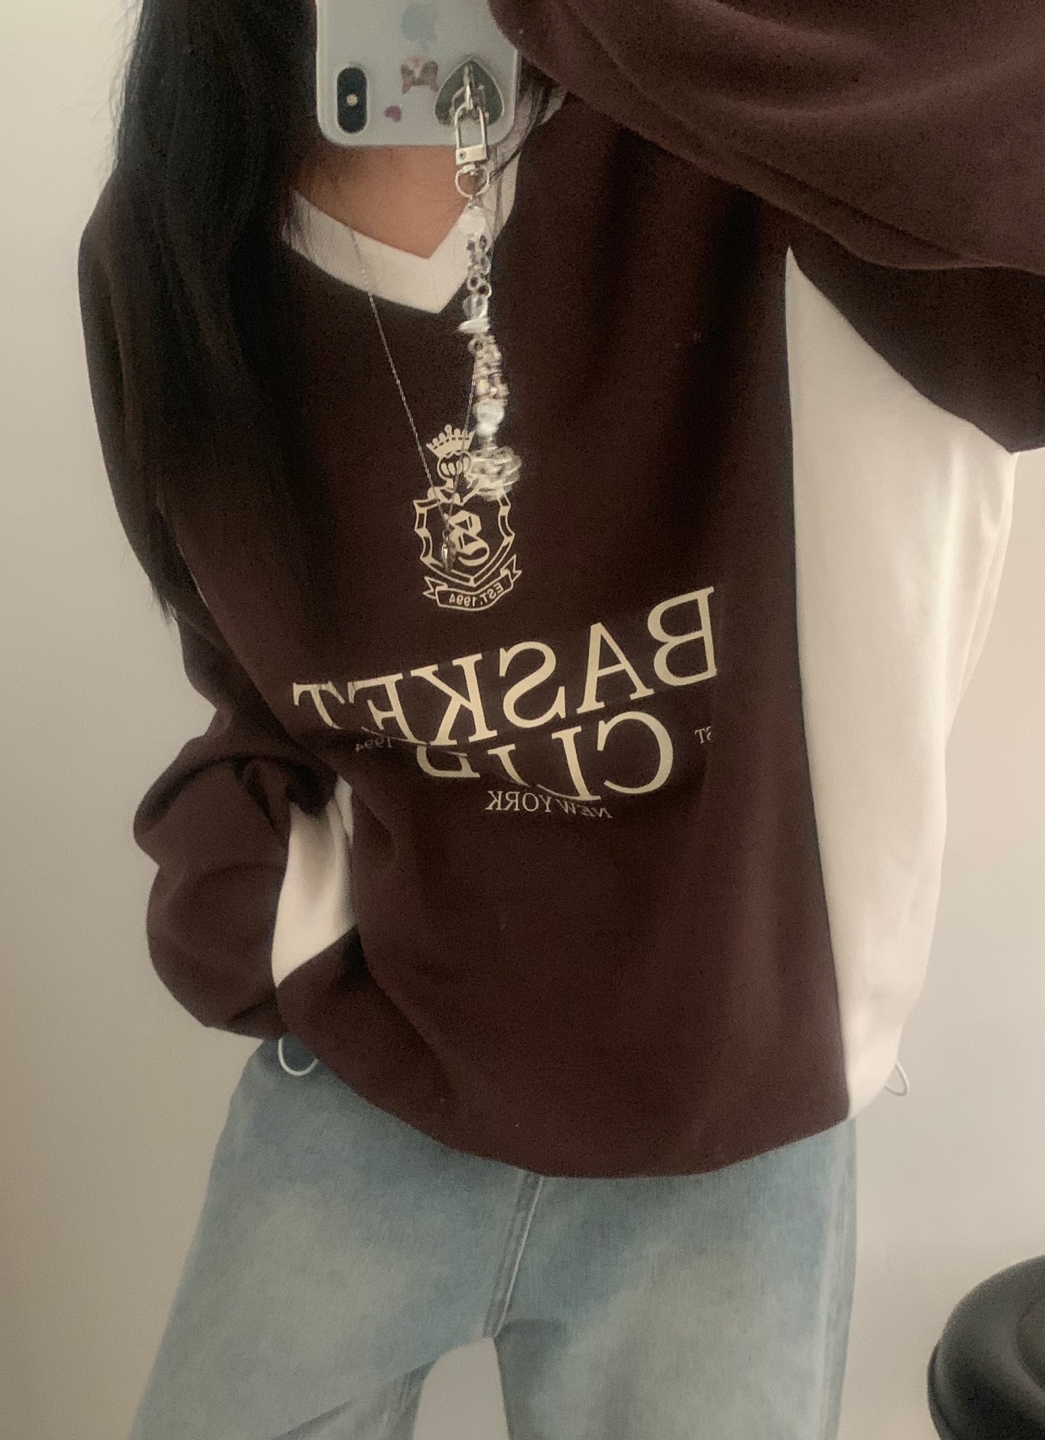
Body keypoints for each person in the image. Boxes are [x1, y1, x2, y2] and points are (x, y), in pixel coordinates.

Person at [77, 2, 1045, 1436]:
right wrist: (247, 901)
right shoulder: (170, 237)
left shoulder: (774, 155)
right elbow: (244, 664)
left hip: (730, 1128)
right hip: (372, 1074)